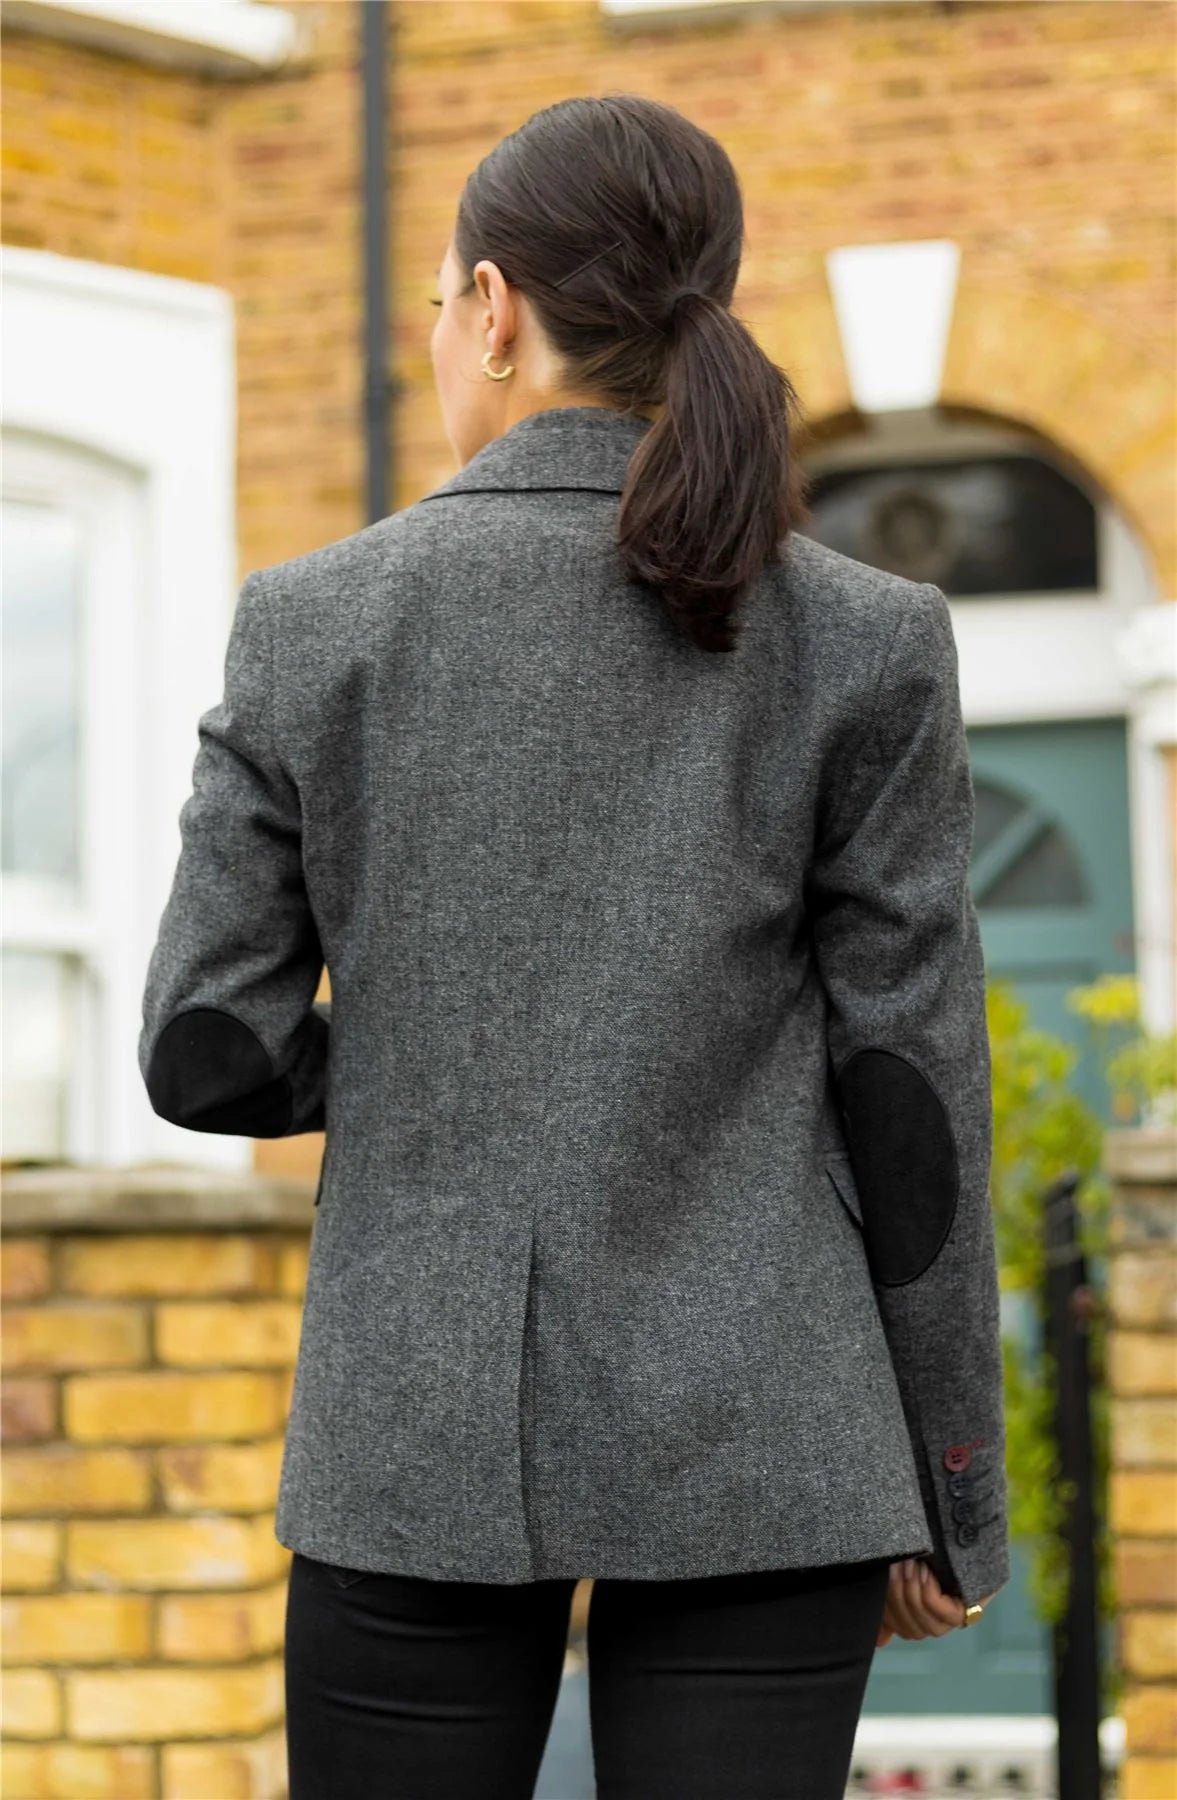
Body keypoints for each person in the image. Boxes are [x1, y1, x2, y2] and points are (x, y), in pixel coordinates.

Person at [139, 93, 1009, 1800]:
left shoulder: (313, 622)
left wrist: (424, 1058)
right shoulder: (863, 635)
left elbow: (206, 1047)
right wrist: (948, 1482)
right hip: (772, 1427)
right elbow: (911, 1091)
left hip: (414, 1425)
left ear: (491, 306)